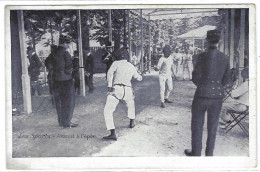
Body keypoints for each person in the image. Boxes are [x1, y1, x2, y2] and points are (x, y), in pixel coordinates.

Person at [184, 30, 231, 156]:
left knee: (197, 124)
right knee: (213, 125)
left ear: (207, 40)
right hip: (217, 97)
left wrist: (203, 86)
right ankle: (209, 153)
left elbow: (195, 76)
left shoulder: (202, 56)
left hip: (201, 95)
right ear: (219, 41)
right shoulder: (225, 58)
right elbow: (227, 80)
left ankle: (196, 152)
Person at [103, 47, 142, 141]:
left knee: (108, 111)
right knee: (131, 105)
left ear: (118, 55)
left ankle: (112, 133)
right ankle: (132, 122)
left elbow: (110, 74)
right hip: (128, 89)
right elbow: (139, 78)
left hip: (117, 89)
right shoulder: (131, 65)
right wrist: (139, 74)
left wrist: (109, 86)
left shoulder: (115, 63)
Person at [47, 34, 77, 128]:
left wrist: (52, 71)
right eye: (68, 43)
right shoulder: (65, 53)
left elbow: (47, 62)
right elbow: (69, 67)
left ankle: (61, 122)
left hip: (56, 80)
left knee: (59, 102)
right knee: (68, 102)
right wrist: (68, 73)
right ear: (64, 43)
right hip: (66, 81)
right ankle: (67, 122)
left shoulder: (53, 53)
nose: (69, 45)